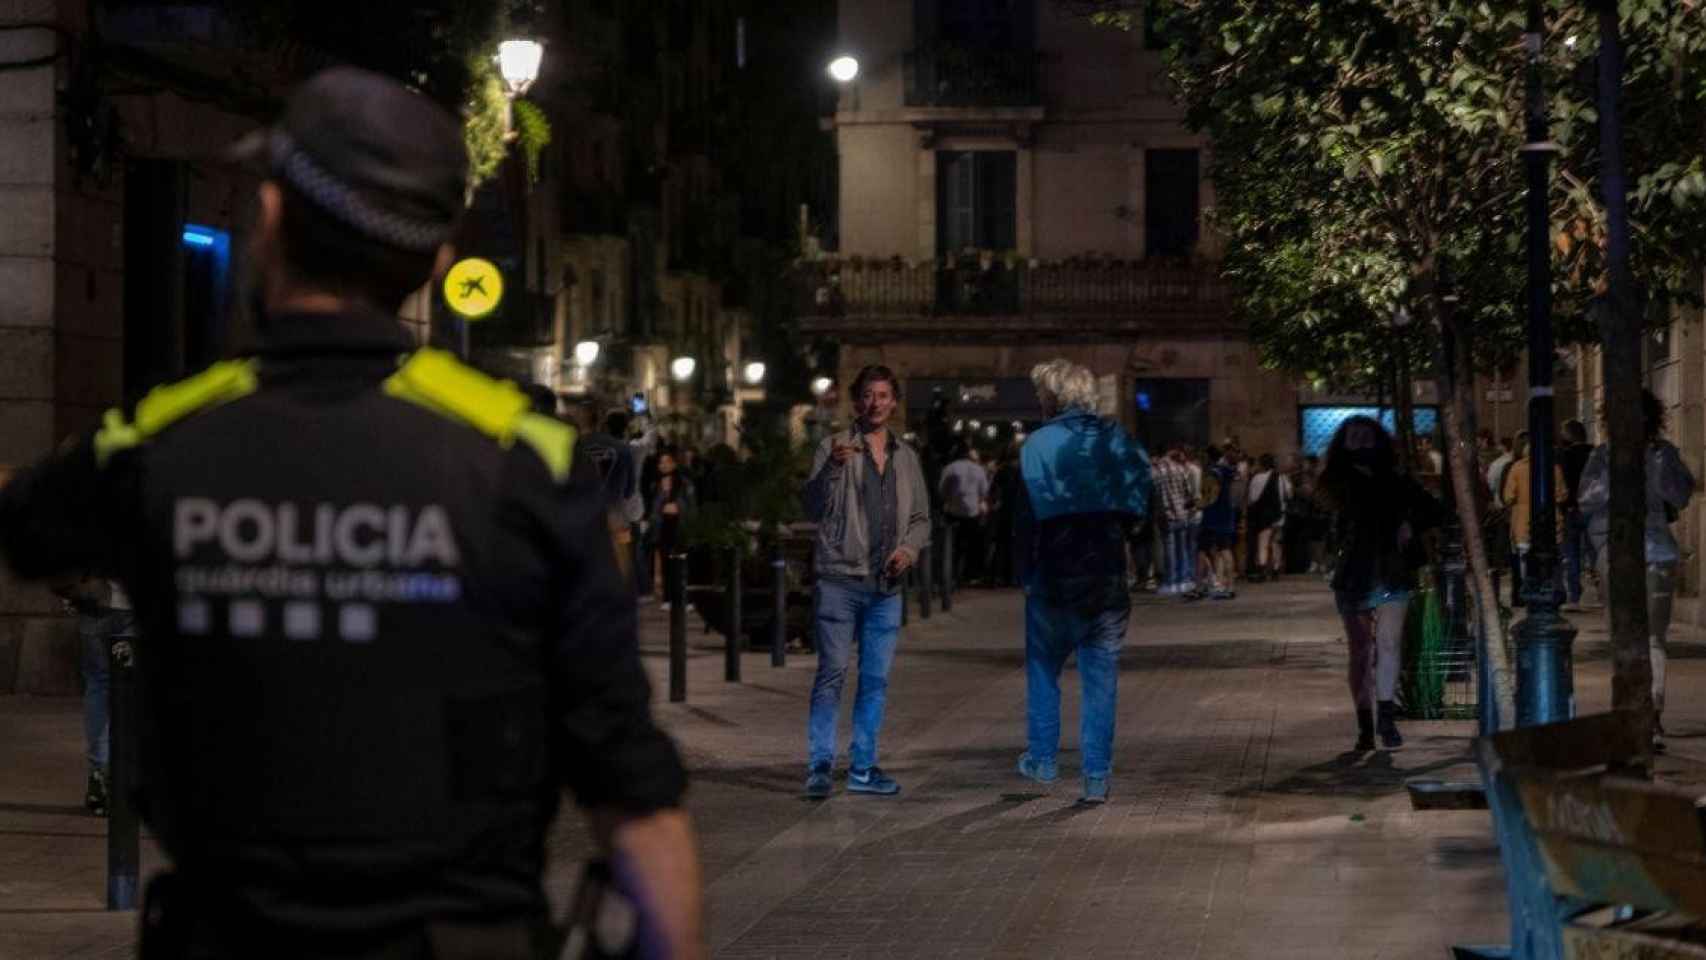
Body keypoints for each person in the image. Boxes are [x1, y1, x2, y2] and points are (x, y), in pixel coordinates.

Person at [0, 67, 703, 958]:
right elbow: (633, 794)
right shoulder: (529, 463)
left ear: (269, 223)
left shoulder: (165, 441)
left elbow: (29, 524)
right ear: (439, 258)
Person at [1014, 360, 1151, 803]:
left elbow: (1025, 519)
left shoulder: (1038, 444)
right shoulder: (1120, 441)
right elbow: (1138, 509)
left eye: (1041, 395)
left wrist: (1024, 573)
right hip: (1107, 574)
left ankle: (1044, 759)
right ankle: (1095, 775)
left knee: (1043, 669)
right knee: (1101, 678)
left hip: (1055, 573)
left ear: (1052, 397)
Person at [799, 364, 931, 798]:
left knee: (875, 680)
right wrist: (831, 471)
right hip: (840, 579)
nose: (874, 404)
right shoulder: (832, 448)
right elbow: (814, 507)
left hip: (886, 588)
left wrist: (907, 551)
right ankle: (819, 765)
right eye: (867, 396)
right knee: (832, 673)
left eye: (882, 396)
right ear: (856, 401)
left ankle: (862, 767)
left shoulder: (906, 457)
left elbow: (920, 518)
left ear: (893, 402)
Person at [1318, 417, 1447, 752]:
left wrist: (1409, 522)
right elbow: (1334, 518)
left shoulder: (1395, 478)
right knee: (1361, 652)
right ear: (1343, 443)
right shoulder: (1335, 480)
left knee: (1389, 644)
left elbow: (1435, 510)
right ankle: (1364, 725)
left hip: (1391, 569)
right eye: (1353, 436)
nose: (1360, 441)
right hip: (1354, 575)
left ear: (1378, 440)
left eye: (1366, 435)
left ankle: (1386, 719)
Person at [1579, 390, 1696, 750]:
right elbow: (1585, 499)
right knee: (1623, 636)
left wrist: (1657, 466)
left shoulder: (1664, 453)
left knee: (1652, 639)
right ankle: (1629, 712)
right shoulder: (1602, 456)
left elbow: (1680, 495)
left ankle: (1651, 713)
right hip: (1614, 551)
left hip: (1656, 553)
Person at [1500, 435, 1566, 608]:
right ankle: (1550, 593)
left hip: (1522, 521)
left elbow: (1508, 497)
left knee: (1524, 559)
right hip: (1550, 520)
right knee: (1552, 558)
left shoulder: (1516, 468)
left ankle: (1529, 593)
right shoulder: (1555, 468)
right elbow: (1562, 495)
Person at [647, 448, 696, 610]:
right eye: (661, 462)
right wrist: (663, 499)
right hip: (663, 527)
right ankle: (667, 598)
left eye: (667, 462)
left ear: (674, 463)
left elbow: (692, 506)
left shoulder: (685, 482)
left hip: (680, 526)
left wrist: (677, 507)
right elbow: (653, 508)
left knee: (682, 563)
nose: (664, 465)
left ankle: (686, 599)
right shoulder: (655, 484)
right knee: (666, 563)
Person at [939, 443, 991, 586]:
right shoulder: (979, 469)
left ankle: (952, 575)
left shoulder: (950, 468)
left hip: (953, 511)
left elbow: (942, 489)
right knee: (972, 546)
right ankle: (970, 576)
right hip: (972, 513)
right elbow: (984, 491)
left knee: (953, 546)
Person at [1558, 419, 1595, 610]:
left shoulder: (1565, 456)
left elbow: (1562, 484)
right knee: (1594, 549)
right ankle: (1600, 591)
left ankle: (1574, 595)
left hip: (1572, 508)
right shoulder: (1595, 453)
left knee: (1571, 553)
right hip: (1594, 508)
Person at [1152, 444, 1196, 597]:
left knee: (1169, 550)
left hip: (1167, 515)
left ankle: (1171, 582)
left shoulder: (1157, 471)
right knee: (1182, 548)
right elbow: (1189, 492)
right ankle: (1183, 581)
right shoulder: (1181, 469)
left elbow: (1155, 493)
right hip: (1182, 514)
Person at [1198, 446, 1238, 599]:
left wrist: (1196, 504)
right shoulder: (1226, 471)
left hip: (1213, 517)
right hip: (1226, 514)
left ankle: (1202, 586)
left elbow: (1211, 496)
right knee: (1225, 550)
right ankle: (1228, 586)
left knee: (1202, 550)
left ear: (1208, 457)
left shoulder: (1213, 473)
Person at [1246, 453, 1290, 581]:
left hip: (1264, 516)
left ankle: (1262, 570)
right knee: (1276, 543)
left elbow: (1252, 498)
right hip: (1280, 515)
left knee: (1263, 543)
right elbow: (1289, 494)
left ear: (1262, 464)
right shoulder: (1282, 478)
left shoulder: (1257, 478)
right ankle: (1276, 570)